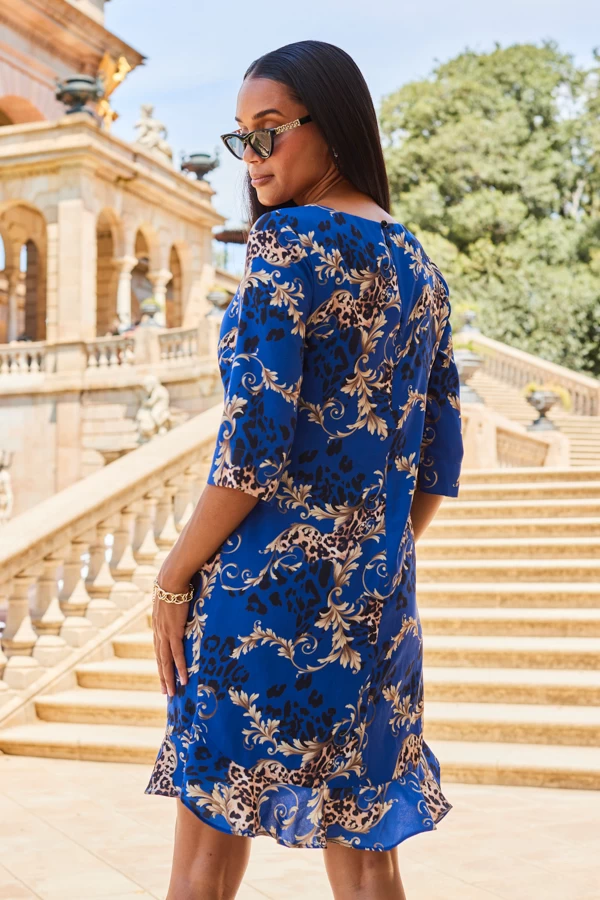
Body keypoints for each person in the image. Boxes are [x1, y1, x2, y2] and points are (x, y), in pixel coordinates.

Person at [145, 39, 464, 900]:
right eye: (240, 136)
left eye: (271, 130)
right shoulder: (422, 270)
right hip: (377, 608)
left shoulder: (287, 242)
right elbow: (438, 462)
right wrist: (368, 557)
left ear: (334, 126)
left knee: (206, 853)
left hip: (260, 606)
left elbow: (252, 447)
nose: (252, 156)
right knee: (368, 862)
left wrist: (174, 579)